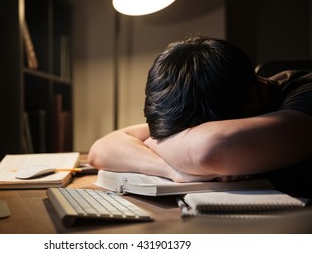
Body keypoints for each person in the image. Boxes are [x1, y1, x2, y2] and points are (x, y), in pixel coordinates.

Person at [88, 36, 312, 197]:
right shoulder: (228, 96)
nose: (177, 141)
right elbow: (101, 149)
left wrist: (149, 143)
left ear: (252, 100)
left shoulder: (306, 95)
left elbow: (208, 149)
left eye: (189, 134)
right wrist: (172, 169)